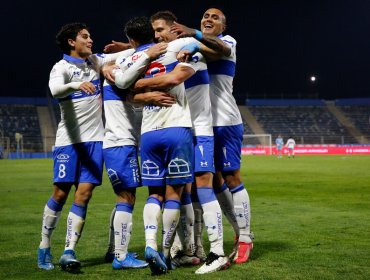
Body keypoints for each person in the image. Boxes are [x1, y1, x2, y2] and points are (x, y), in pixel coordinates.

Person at [37, 22, 132, 271]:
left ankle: (69, 251)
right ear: (72, 42)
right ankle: (44, 246)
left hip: (96, 141)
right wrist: (76, 85)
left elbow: (132, 52)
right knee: (60, 194)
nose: (90, 40)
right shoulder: (61, 67)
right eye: (85, 37)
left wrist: (126, 45)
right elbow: (55, 90)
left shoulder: (96, 61)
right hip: (68, 142)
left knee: (85, 195)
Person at [147, 11, 230, 273]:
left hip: (201, 129)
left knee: (204, 186)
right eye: (154, 31)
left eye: (162, 30)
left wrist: (194, 39)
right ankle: (186, 249)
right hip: (179, 130)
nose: (157, 36)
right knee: (183, 191)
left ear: (175, 29)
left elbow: (224, 50)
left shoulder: (193, 45)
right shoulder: (158, 54)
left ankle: (217, 252)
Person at [111, 16, 195, 275]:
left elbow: (123, 85)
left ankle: (150, 246)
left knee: (153, 195)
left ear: (131, 39)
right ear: (155, 33)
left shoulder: (128, 60)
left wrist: (139, 87)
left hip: (148, 134)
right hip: (176, 127)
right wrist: (186, 47)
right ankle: (166, 252)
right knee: (174, 195)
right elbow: (191, 50)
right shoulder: (176, 47)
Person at [171, 7, 254, 265]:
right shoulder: (193, 46)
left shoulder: (228, 42)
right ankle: (226, 235)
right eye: (205, 16)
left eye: (214, 18)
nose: (208, 19)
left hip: (225, 121)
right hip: (198, 124)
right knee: (211, 182)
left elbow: (218, 50)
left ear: (223, 27)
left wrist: (192, 36)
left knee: (231, 177)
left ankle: (245, 238)